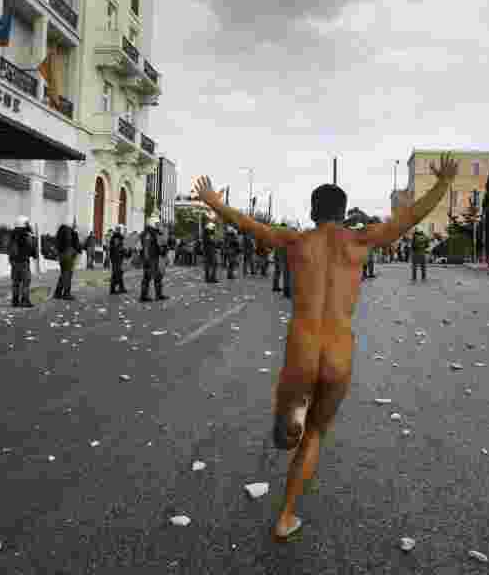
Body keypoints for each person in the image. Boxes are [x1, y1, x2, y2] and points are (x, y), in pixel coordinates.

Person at [192, 153, 458, 541]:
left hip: (302, 349)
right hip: (338, 353)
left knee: (288, 425)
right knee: (317, 433)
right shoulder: (361, 239)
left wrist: (215, 202)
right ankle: (285, 516)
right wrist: (442, 184)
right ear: (344, 211)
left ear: (313, 211)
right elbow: (410, 218)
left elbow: (250, 226)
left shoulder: (296, 240)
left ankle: (291, 417)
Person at [8, 216, 37, 308]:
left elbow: (8, 247)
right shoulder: (26, 234)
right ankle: (25, 300)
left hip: (13, 260)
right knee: (26, 281)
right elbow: (31, 248)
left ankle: (15, 300)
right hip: (23, 260)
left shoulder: (12, 234)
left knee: (16, 281)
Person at [139, 214, 170, 302]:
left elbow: (140, 246)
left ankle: (148, 295)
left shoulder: (147, 233)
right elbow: (157, 247)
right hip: (152, 258)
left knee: (151, 277)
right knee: (153, 277)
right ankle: (152, 295)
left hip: (149, 258)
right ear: (153, 223)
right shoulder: (152, 234)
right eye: (157, 223)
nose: (159, 225)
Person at [53, 223, 80, 300]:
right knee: (68, 274)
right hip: (68, 255)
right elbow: (76, 244)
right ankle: (66, 293)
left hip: (61, 255)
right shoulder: (70, 231)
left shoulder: (61, 230)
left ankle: (58, 292)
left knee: (63, 274)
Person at [108, 225, 129, 294]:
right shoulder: (117, 237)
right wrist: (123, 251)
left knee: (118, 273)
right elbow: (117, 248)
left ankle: (120, 287)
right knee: (117, 273)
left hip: (116, 257)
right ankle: (113, 289)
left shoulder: (117, 237)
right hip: (117, 258)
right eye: (119, 229)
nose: (120, 231)